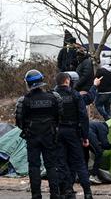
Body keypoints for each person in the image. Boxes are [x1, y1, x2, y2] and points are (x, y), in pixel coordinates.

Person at [15, 69, 63, 199]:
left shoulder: (23, 100)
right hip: (49, 135)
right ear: (41, 80)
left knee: (34, 166)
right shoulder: (54, 97)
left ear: (28, 84)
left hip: (32, 137)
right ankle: (55, 194)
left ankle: (36, 195)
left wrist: (29, 128)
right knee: (51, 166)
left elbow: (19, 121)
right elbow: (59, 117)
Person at [54, 72, 93, 199]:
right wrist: (85, 136)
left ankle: (66, 191)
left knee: (61, 163)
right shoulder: (75, 95)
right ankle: (87, 192)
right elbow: (83, 117)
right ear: (67, 81)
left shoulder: (53, 96)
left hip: (58, 132)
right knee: (79, 162)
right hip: (73, 132)